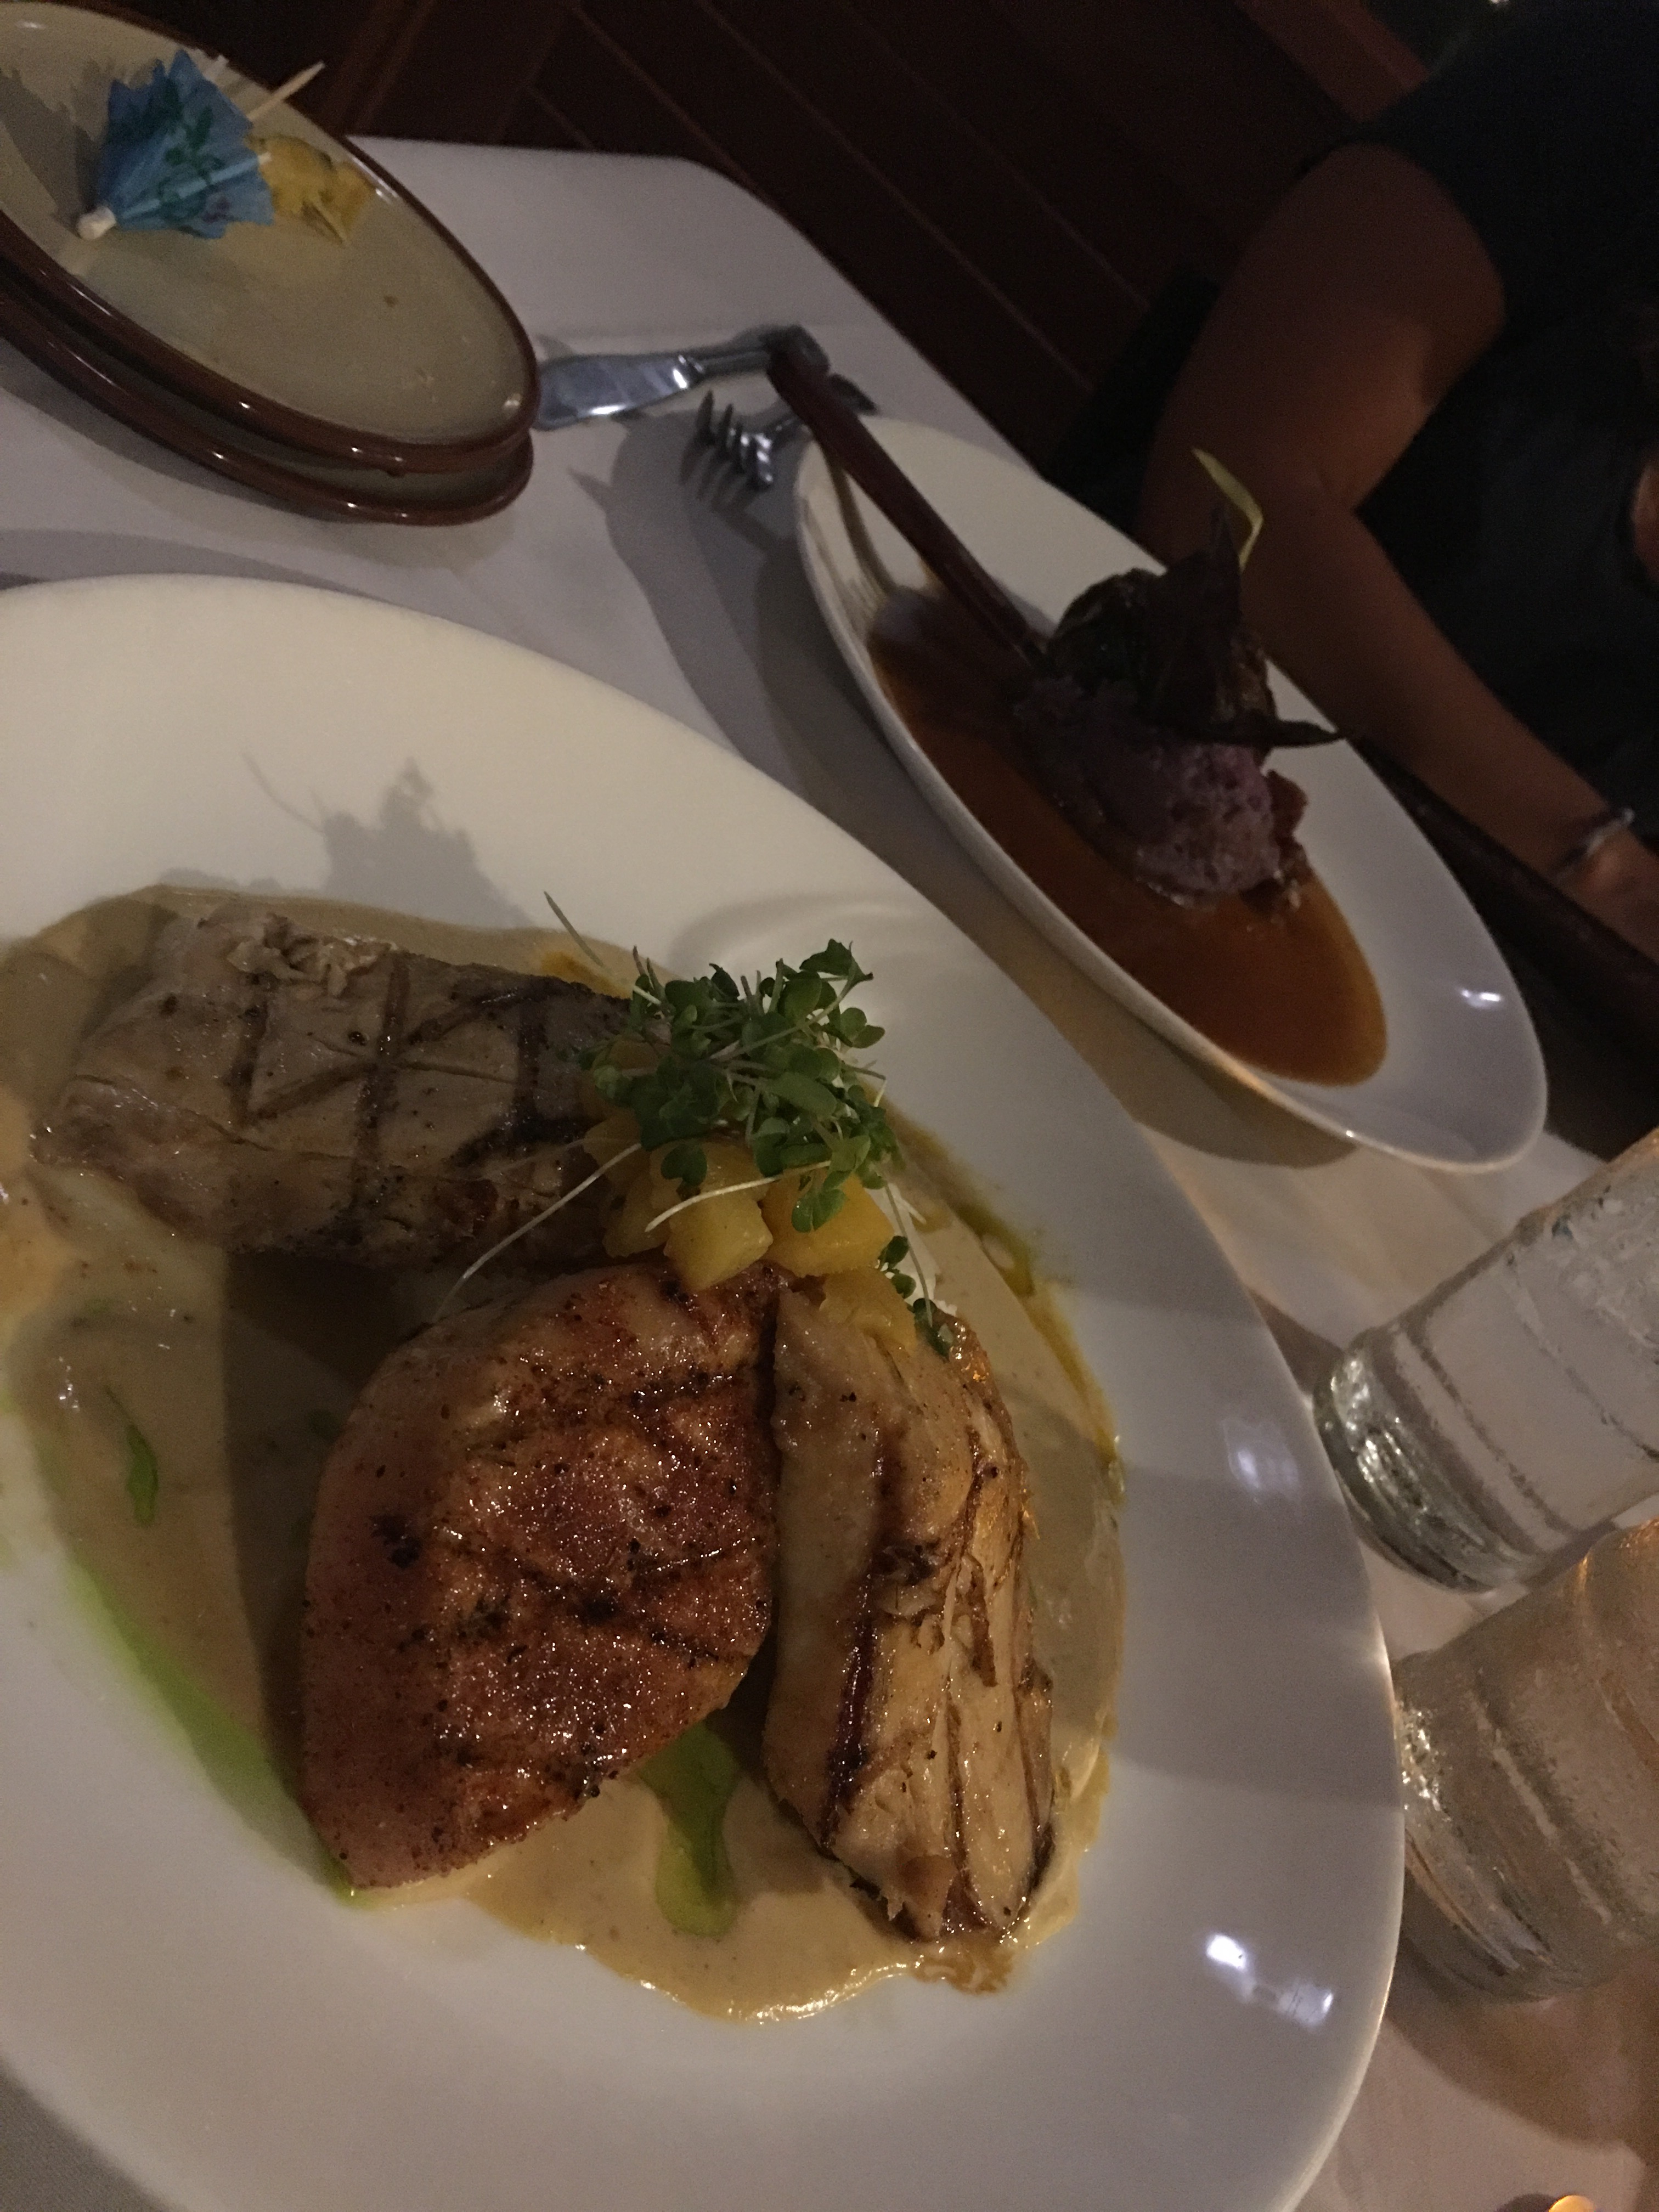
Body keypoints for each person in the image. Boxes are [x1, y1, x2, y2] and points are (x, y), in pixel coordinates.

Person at [1125, 0, 1659, 961]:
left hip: (1455, 1000)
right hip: (1119, 785)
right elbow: (1228, 490)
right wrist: (1600, 872)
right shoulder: (1617, 89)